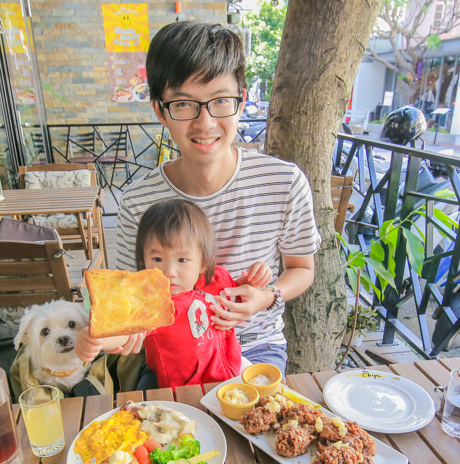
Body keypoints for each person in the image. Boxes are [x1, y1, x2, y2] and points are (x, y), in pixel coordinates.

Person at [115, 20, 320, 373]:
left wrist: (266, 297)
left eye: (220, 101)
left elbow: (301, 269)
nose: (205, 123)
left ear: (241, 102)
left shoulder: (284, 182)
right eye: (183, 104)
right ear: (159, 111)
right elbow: (129, 298)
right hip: (172, 354)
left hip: (257, 346)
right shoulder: (138, 201)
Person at [77, 199, 271, 388]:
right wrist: (97, 339)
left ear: (203, 261)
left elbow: (242, 296)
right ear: (144, 261)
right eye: (157, 258)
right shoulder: (152, 304)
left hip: (234, 370)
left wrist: (256, 278)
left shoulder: (217, 279)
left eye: (182, 259)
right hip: (185, 390)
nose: (169, 271)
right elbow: (127, 332)